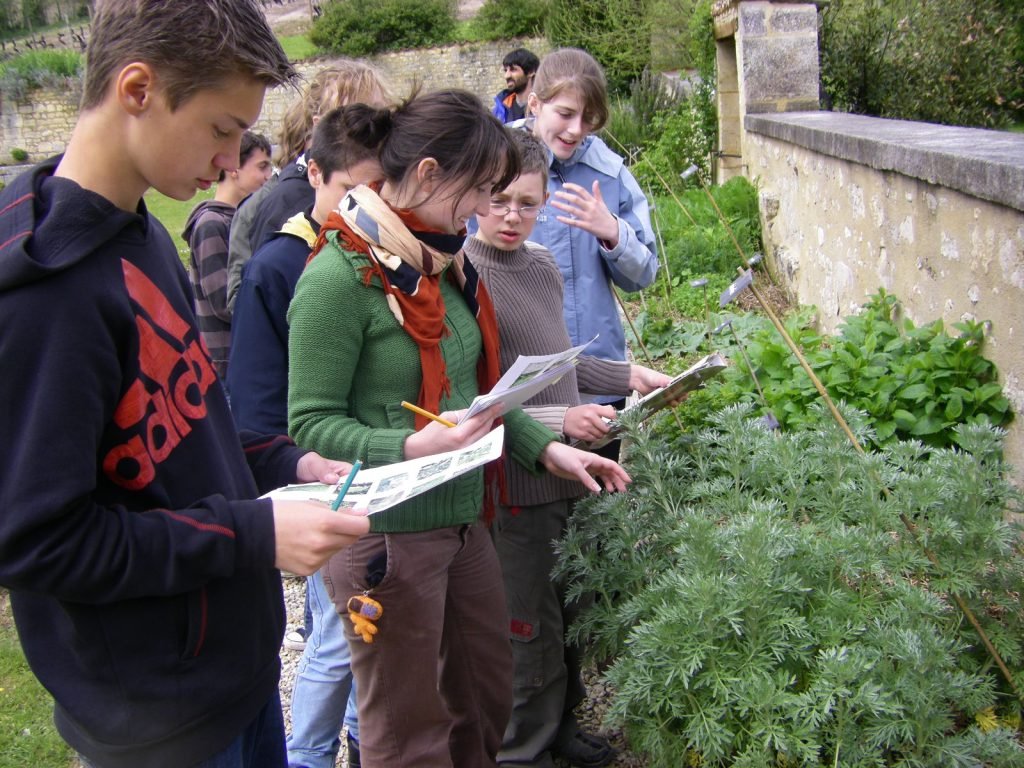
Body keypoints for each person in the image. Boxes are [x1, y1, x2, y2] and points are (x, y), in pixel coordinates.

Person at [0, 3, 371, 767]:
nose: (235, 157)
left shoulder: (138, 231)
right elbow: (40, 541)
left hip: (231, 677)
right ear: (138, 89)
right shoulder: (46, 300)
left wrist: (283, 465)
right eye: (221, 129)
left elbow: (187, 425)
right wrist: (254, 535)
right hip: (155, 722)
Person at [286, 90, 631, 768]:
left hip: (465, 521)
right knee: (408, 730)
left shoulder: (440, 263)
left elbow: (479, 397)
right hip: (388, 537)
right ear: (425, 174)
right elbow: (310, 424)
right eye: (476, 192)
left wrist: (549, 449)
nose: (481, 211)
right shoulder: (338, 278)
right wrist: (409, 444)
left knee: (485, 699)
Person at [466, 129, 670, 768]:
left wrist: (627, 377)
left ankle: (562, 731)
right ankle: (521, 749)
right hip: (516, 484)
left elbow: (557, 368)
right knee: (526, 632)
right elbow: (482, 402)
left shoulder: (542, 265)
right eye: (499, 200)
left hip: (570, 479)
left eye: (528, 203)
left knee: (571, 612)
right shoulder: (466, 277)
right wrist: (560, 421)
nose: (512, 216)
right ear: (475, 196)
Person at [227, 105, 385, 768]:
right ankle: (311, 755)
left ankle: (356, 737)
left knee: (367, 628)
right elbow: (258, 407)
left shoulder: (382, 251)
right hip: (318, 474)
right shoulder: (280, 266)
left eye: (378, 191)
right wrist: (300, 471)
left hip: (376, 471)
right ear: (313, 173)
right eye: (349, 191)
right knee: (334, 634)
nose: (363, 206)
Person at [521, 48, 659, 455]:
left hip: (602, 379)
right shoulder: (500, 164)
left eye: (588, 119)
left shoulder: (610, 173)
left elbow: (642, 275)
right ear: (535, 103)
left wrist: (614, 233)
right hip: (525, 383)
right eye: (565, 114)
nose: (576, 129)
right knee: (538, 509)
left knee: (600, 499)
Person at [225, 60, 389, 313]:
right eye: (354, 119)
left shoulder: (375, 183)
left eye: (378, 119)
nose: (371, 132)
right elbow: (270, 303)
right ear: (321, 124)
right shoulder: (291, 201)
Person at [183, 129, 272, 379]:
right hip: (225, 363)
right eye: (262, 167)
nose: (268, 176)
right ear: (234, 169)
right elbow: (224, 302)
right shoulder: (212, 223)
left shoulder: (243, 219)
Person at [493, 47, 540, 124]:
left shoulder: (544, 106)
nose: (507, 76)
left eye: (513, 70)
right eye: (505, 70)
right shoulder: (500, 110)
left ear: (531, 72)